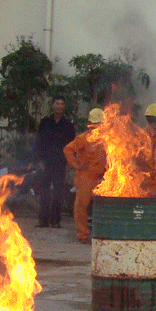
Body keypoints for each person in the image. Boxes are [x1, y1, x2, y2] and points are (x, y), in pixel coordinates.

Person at [63, 108, 108, 244]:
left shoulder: (107, 139)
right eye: (95, 126)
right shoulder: (83, 138)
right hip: (86, 178)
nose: (97, 129)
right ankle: (83, 235)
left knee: (104, 207)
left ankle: (102, 233)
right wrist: (77, 165)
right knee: (81, 206)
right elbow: (68, 149)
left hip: (102, 177)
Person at [34, 95, 75, 228]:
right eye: (57, 103)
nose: (59, 106)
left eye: (61, 104)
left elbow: (72, 145)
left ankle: (56, 221)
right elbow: (38, 142)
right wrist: (39, 160)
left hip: (60, 163)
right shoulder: (45, 122)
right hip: (46, 162)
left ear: (64, 107)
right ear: (52, 106)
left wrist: (70, 163)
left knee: (58, 193)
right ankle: (43, 220)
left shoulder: (68, 125)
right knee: (44, 192)